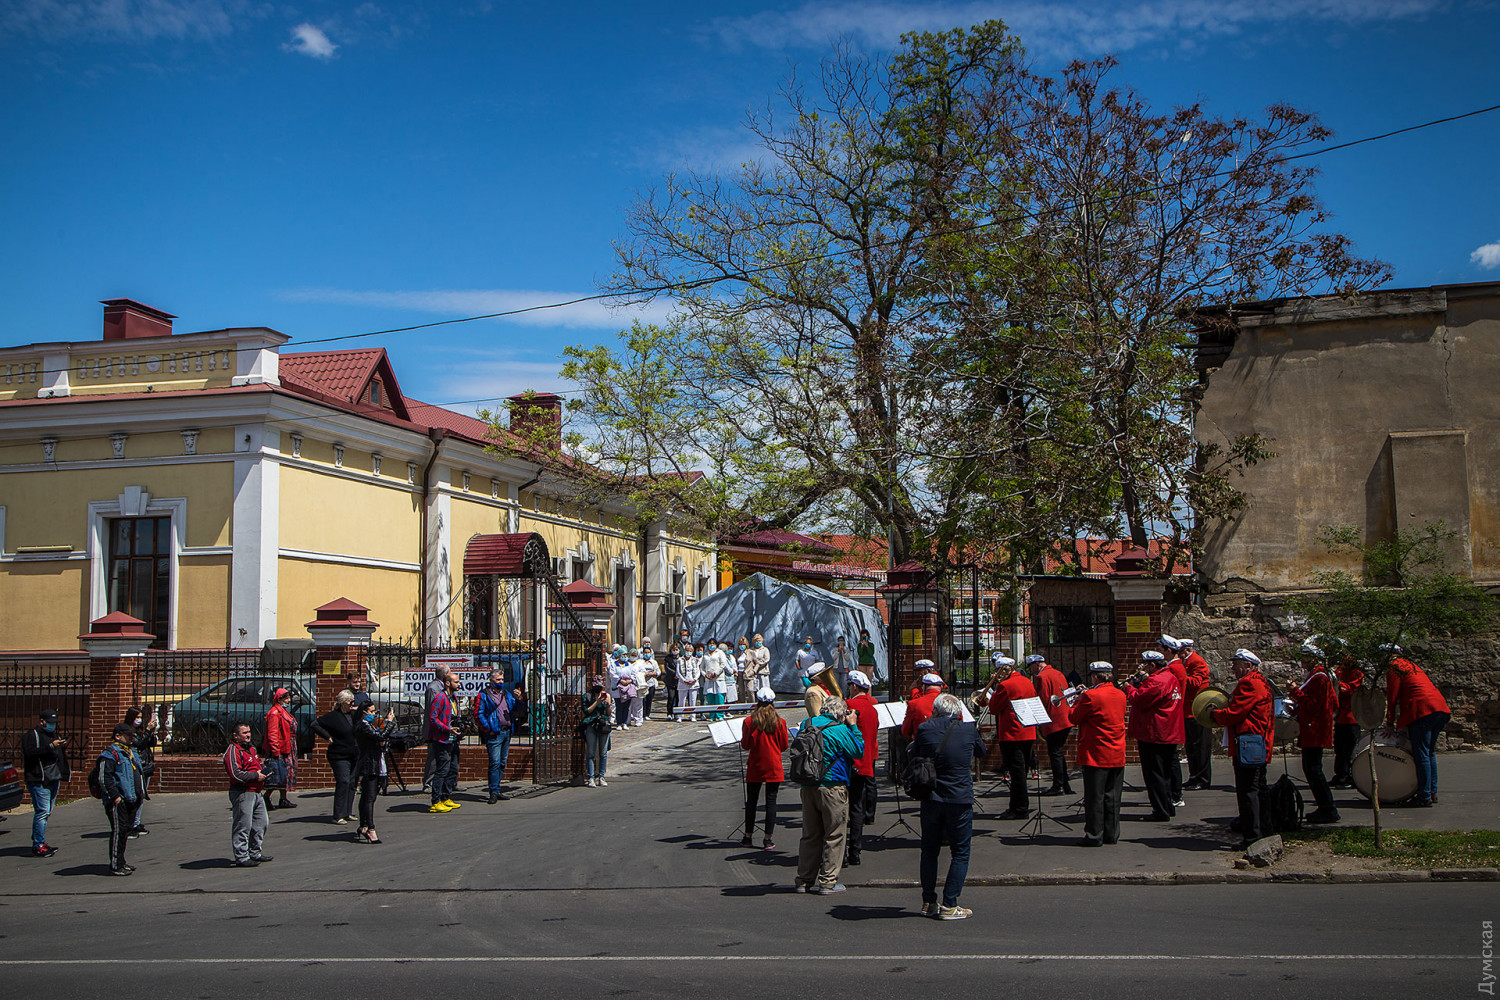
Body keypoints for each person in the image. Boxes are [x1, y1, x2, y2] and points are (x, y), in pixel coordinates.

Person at [913, 693, 987, 919]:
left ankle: (928, 902)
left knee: (929, 850)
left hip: (932, 796)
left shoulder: (925, 729)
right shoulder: (968, 729)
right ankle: (950, 904)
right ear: (958, 712)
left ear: (936, 710)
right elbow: (981, 752)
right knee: (961, 852)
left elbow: (918, 753)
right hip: (959, 797)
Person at [794, 695, 865, 895]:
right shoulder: (839, 729)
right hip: (833, 786)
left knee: (810, 834)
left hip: (808, 785)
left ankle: (804, 880)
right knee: (834, 834)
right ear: (841, 713)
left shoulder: (807, 724)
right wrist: (853, 727)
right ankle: (828, 881)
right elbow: (858, 750)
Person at [1211, 649, 1274, 846]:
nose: (1232, 667)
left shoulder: (1249, 683)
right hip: (1258, 742)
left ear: (1248, 665)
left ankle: (1252, 836)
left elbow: (1235, 712)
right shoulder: (1260, 681)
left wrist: (1214, 714)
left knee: (1248, 791)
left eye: (1236, 663)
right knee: (1259, 789)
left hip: (1249, 743)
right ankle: (1265, 829)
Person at [1384, 647, 1450, 807]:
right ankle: (1431, 792)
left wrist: (1390, 722)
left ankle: (1424, 796)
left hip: (1422, 711)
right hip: (1440, 708)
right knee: (1429, 752)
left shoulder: (1394, 667)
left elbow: (1392, 696)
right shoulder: (1411, 665)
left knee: (1421, 754)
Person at [1070, 661, 1127, 847]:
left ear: (1095, 676)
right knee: (1112, 796)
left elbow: (1074, 717)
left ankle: (1094, 835)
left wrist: (1075, 700)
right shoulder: (1120, 694)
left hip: (1096, 753)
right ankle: (1111, 834)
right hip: (1116, 751)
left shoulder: (1091, 696)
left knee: (1095, 797)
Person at [1125, 649, 1182, 821]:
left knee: (1154, 774)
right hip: (1168, 732)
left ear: (1152, 665)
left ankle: (1160, 810)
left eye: (1145, 665)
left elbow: (1139, 700)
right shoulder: (1170, 677)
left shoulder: (1157, 681)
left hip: (1155, 733)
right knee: (1165, 772)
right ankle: (1168, 806)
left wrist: (1129, 688)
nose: (1144, 669)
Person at [1288, 639, 1340, 823]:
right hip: (1312, 726)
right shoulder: (1316, 676)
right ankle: (1325, 807)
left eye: (1305, 657)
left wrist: (1295, 692)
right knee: (1312, 768)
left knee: (1313, 770)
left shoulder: (1319, 678)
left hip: (1314, 728)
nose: (1302, 660)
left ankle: (1328, 808)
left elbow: (1314, 705)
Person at [985, 655, 1037, 820]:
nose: (997, 675)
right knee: (1022, 771)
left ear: (1004, 671)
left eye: (999, 672)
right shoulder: (1027, 681)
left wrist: (993, 690)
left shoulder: (1005, 685)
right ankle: (1018, 806)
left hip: (1012, 733)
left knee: (1017, 773)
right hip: (1028, 731)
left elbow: (994, 708)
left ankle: (1019, 808)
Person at [740, 687, 790, 849]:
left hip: (755, 764)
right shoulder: (780, 722)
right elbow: (783, 746)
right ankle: (768, 838)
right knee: (771, 802)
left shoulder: (749, 721)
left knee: (751, 802)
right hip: (773, 765)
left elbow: (746, 745)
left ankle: (748, 836)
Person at [223, 722, 273, 867]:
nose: (248, 735)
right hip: (243, 792)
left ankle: (255, 852)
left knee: (261, 823)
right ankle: (241, 857)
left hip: (257, 792)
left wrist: (265, 771)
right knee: (243, 825)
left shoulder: (251, 749)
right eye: (244, 733)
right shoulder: (233, 751)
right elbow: (235, 774)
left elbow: (258, 764)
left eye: (249, 732)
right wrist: (255, 776)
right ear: (236, 736)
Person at [21, 709, 69, 858]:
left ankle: (41, 841)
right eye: (50, 723)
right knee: (42, 812)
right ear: (41, 721)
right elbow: (29, 753)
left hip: (53, 778)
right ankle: (38, 845)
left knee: (46, 811)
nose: (52, 726)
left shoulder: (53, 735)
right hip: (39, 779)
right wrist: (50, 747)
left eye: (54, 723)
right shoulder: (32, 735)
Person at [843, 670, 879, 865]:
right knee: (857, 808)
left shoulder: (850, 705)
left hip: (849, 765)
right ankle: (855, 851)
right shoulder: (873, 708)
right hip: (865, 763)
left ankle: (840, 852)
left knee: (842, 809)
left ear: (854, 687)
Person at [99, 722, 145, 875]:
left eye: (132, 734)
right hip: (119, 801)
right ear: (117, 736)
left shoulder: (130, 752)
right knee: (118, 832)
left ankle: (121, 861)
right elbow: (105, 778)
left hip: (132, 798)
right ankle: (115, 864)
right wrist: (116, 797)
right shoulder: (111, 754)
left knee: (125, 831)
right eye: (128, 735)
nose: (131, 737)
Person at [1027, 654, 1074, 796]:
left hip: (1054, 720)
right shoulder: (1058, 672)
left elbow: (1044, 699)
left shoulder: (1042, 677)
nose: (1031, 670)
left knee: (1055, 753)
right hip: (1065, 718)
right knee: (1058, 752)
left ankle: (1058, 785)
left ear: (1037, 664)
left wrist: (1040, 721)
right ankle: (1065, 785)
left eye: (1031, 667)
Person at [352, 697, 395, 844]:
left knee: (370, 796)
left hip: (376, 762)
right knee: (368, 797)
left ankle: (363, 825)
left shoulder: (370, 725)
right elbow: (380, 736)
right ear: (364, 712)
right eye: (372, 711)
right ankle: (370, 828)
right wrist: (389, 722)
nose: (375, 714)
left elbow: (382, 740)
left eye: (375, 711)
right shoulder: (362, 726)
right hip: (368, 764)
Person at [313, 690, 359, 823]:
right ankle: (338, 814)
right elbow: (315, 724)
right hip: (339, 755)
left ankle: (347, 812)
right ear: (342, 703)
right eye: (350, 702)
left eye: (353, 702)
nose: (352, 705)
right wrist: (327, 737)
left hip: (354, 753)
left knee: (352, 782)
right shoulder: (333, 716)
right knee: (343, 781)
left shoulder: (353, 715)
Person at [475, 670, 516, 803]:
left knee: (502, 762)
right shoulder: (484, 695)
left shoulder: (505, 694)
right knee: (495, 762)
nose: (501, 682)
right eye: (498, 680)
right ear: (491, 681)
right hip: (494, 733)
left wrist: (518, 698)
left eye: (502, 680)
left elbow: (514, 707)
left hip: (506, 731)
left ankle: (497, 789)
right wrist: (488, 729)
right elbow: (478, 714)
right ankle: (493, 791)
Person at [1329, 641, 1365, 788]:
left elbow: (1353, 689)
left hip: (1351, 716)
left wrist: (1339, 685)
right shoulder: (1340, 669)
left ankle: (1349, 775)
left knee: (1350, 749)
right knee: (1340, 748)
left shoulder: (1356, 671)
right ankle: (1340, 774)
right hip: (1341, 717)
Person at [1180, 638, 1214, 790]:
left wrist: (1179, 676)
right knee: (1191, 747)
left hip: (1197, 710)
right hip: (1188, 711)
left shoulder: (1196, 662)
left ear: (1186, 650)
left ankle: (1203, 778)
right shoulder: (1185, 663)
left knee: (1200, 747)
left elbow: (1195, 682)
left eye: (1179, 652)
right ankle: (1194, 776)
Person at [426, 671, 462, 813]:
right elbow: (433, 718)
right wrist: (447, 729)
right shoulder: (440, 698)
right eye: (456, 682)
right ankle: (435, 801)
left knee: (453, 768)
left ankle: (445, 797)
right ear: (447, 683)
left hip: (453, 739)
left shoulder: (454, 698)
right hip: (442, 739)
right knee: (442, 769)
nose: (458, 684)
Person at [1159, 636, 1189, 806]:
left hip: (1171, 717)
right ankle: (1173, 793)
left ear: (1169, 651)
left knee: (1170, 759)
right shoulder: (1175, 667)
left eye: (1161, 650)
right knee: (1170, 758)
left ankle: (1175, 794)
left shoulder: (1174, 669)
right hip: (1173, 716)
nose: (1160, 653)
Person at [122, 706, 157, 836]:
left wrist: (151, 732)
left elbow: (151, 743)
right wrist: (147, 731)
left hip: (146, 765)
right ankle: (130, 825)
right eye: (137, 717)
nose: (139, 720)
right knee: (136, 795)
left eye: (141, 717)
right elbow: (139, 744)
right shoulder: (128, 732)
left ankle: (136, 823)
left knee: (141, 796)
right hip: (138, 765)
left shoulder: (140, 731)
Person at [263, 687, 299, 812]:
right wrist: (275, 750)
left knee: (286, 774)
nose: (289, 701)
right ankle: (266, 797)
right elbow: (272, 733)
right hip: (281, 747)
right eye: (287, 698)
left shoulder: (283, 711)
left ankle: (283, 798)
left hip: (288, 746)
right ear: (280, 699)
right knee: (278, 775)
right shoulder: (274, 713)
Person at [423, 664, 453, 791]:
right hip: (435, 729)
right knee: (434, 756)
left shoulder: (444, 688)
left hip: (445, 728)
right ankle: (428, 783)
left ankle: (446, 784)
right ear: (444, 675)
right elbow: (433, 711)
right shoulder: (433, 688)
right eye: (450, 672)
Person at [580, 683, 613, 787]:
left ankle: (601, 776)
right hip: (591, 724)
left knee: (603, 753)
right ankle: (591, 777)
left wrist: (608, 704)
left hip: (603, 725)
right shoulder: (587, 696)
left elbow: (608, 713)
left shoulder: (606, 695)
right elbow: (586, 711)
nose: (598, 690)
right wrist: (596, 702)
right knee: (591, 752)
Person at [901, 664, 944, 740]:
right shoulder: (953, 702)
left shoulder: (914, 704)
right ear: (941, 687)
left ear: (924, 687)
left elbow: (905, 731)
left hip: (923, 744)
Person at [677, 642, 702, 721]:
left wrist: (694, 679)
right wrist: (684, 680)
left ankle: (692, 716)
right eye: (687, 650)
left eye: (690, 651)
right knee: (682, 700)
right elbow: (678, 671)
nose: (689, 652)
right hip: (683, 683)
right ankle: (680, 716)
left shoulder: (695, 660)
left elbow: (698, 671)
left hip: (693, 683)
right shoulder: (680, 660)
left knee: (693, 700)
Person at [742, 634, 771, 698]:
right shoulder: (751, 650)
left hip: (763, 672)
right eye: (756, 641)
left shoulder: (765, 649)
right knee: (754, 689)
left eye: (759, 641)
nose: (758, 642)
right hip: (753, 673)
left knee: (764, 689)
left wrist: (757, 665)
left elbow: (766, 660)